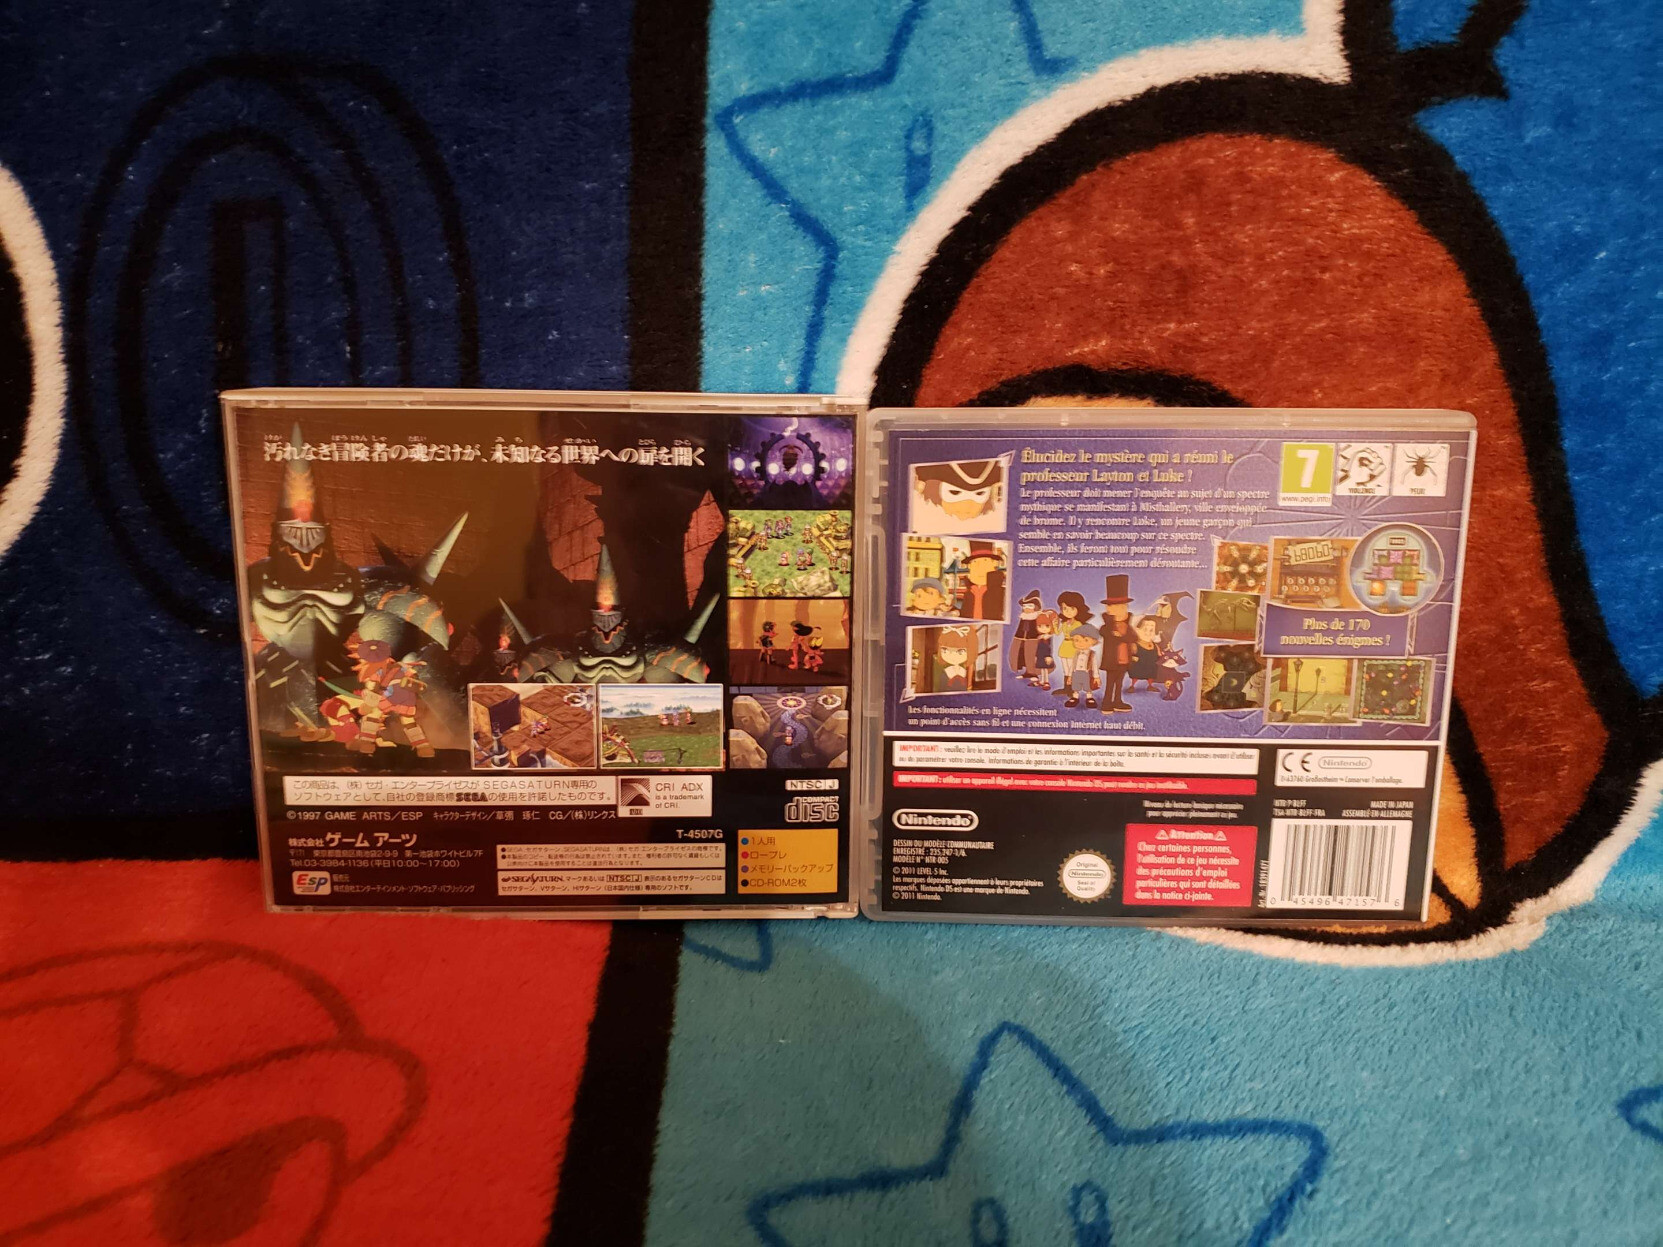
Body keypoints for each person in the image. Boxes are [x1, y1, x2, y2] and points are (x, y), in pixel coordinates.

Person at [1098, 574, 1136, 714]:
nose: (1122, 611)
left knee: (1119, 683)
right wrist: (1116, 634)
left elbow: (1133, 637)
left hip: (1124, 661)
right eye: (1116, 608)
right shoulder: (1107, 627)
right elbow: (1104, 633)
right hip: (1112, 662)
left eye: (1123, 608)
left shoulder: (1127, 626)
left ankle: (1117, 701)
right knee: (1110, 683)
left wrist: (1125, 638)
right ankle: (1107, 703)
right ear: (1109, 610)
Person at [954, 541, 1007, 619]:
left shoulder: (1001, 593)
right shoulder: (969, 592)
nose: (979, 567)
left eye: (985, 561)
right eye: (974, 562)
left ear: (994, 563)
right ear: (970, 566)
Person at [1053, 591, 1090, 697]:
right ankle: (1066, 688)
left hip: (1074, 648)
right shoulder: (1064, 623)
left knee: (1071, 669)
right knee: (1065, 669)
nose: (1068, 612)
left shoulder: (1078, 624)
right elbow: (1057, 633)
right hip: (1064, 646)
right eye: (1065, 608)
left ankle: (1073, 689)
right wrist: (1055, 625)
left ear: (1078, 609)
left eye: (1071, 608)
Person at [1008, 589, 1043, 679]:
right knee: (1023, 655)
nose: (1026, 608)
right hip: (1021, 639)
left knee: (1032, 656)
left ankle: (1033, 673)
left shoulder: (1038, 617)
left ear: (1036, 607)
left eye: (1030, 606)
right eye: (1024, 606)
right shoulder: (1023, 617)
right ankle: (1027, 672)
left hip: (1033, 639)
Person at [1064, 623, 1100, 709]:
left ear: (1093, 641)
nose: (1081, 643)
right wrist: (1070, 676)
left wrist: (1096, 677)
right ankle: (1075, 697)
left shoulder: (1092, 654)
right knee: (1075, 686)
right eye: (1077, 640)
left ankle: (1089, 697)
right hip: (1076, 673)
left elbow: (1095, 666)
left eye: (1086, 640)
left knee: (1088, 686)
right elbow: (1073, 665)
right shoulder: (1076, 653)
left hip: (1087, 673)